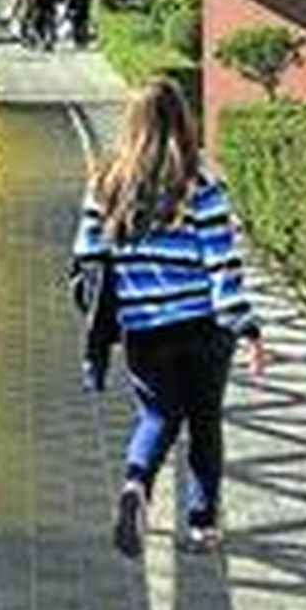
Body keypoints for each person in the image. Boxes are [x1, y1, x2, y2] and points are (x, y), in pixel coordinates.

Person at [72, 79, 266, 557]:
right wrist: (246, 327)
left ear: (131, 123)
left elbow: (87, 256)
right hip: (203, 328)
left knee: (157, 415)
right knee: (204, 423)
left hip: (143, 329)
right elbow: (222, 264)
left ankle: (136, 485)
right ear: (183, 120)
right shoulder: (200, 183)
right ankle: (202, 526)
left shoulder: (106, 182)